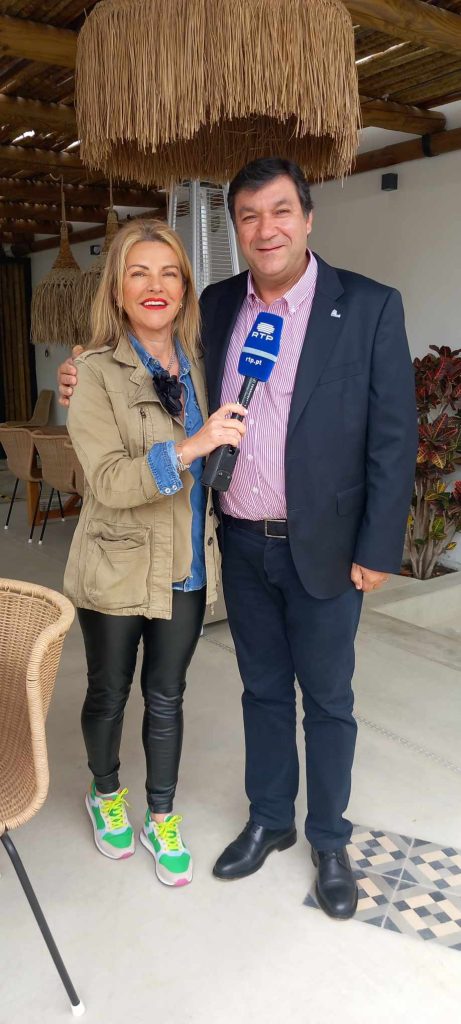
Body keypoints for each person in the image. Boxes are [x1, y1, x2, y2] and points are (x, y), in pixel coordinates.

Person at [59, 158, 417, 918]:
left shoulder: (367, 306)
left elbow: (393, 437)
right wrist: (80, 372)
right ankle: (269, 820)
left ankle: (328, 840)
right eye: (249, 216)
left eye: (280, 211)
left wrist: (378, 546)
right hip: (243, 545)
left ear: (308, 217)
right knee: (262, 691)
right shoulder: (217, 306)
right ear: (235, 230)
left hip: (327, 547)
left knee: (328, 700)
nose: (266, 229)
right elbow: (146, 359)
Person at [62, 219, 246, 886]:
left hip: (186, 566)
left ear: (185, 289)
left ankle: (161, 815)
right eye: (138, 273)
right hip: (115, 564)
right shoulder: (91, 373)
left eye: (169, 273)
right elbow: (110, 482)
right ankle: (105, 791)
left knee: (167, 696)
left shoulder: (202, 365)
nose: (154, 285)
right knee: (109, 692)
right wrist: (192, 447)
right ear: (117, 289)